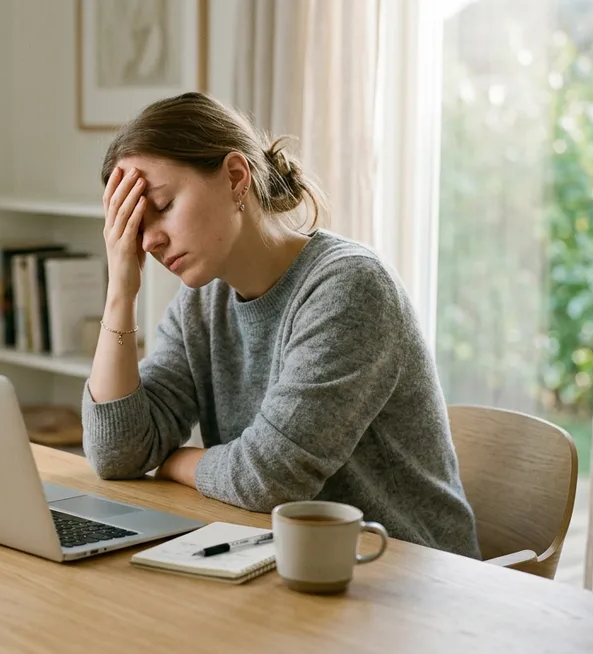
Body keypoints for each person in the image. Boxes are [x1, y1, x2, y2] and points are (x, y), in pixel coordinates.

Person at [80, 91, 481, 558]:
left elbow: (268, 478)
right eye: (136, 226)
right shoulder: (201, 303)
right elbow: (117, 452)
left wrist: (173, 462)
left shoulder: (349, 286)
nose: (149, 241)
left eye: (164, 205)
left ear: (236, 177)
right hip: (287, 557)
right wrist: (121, 291)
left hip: (406, 568)